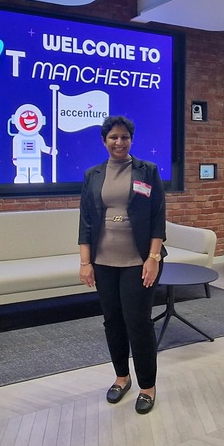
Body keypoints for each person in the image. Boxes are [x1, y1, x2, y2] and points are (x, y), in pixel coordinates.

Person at [78, 115, 166, 415]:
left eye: (124, 137)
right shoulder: (92, 175)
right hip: (103, 261)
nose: (119, 142)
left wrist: (153, 258)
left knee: (138, 323)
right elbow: (86, 221)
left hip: (138, 261)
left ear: (131, 140)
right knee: (113, 322)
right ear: (104, 141)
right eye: (113, 137)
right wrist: (85, 262)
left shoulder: (147, 170)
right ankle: (121, 377)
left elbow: (157, 217)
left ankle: (147, 386)